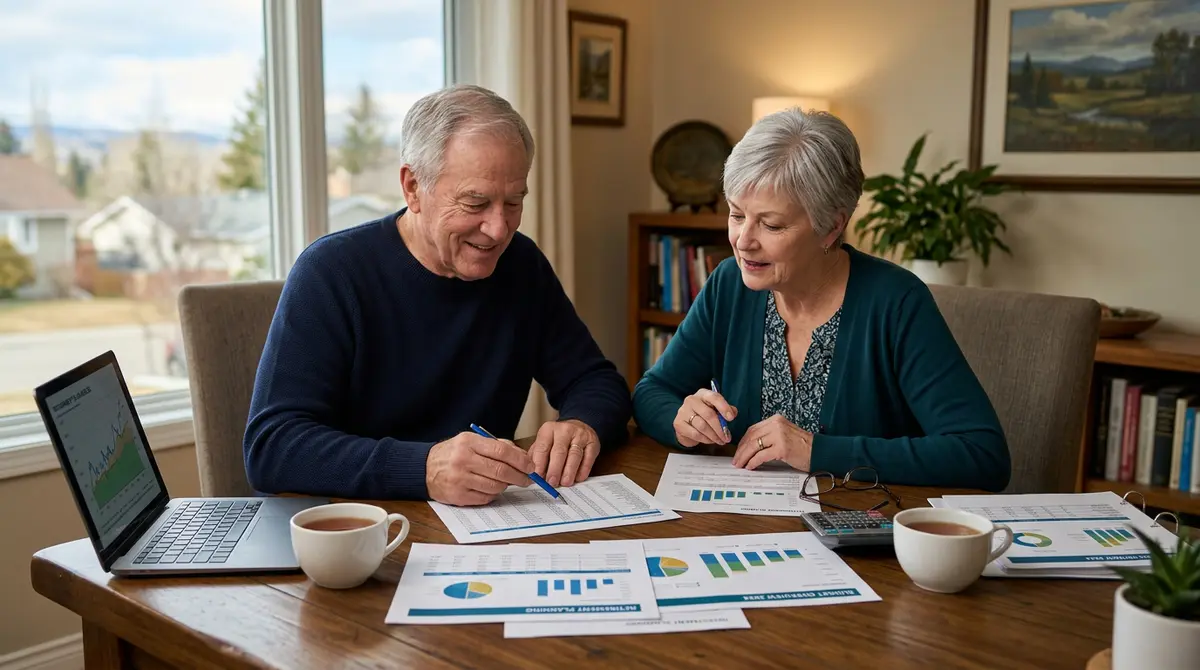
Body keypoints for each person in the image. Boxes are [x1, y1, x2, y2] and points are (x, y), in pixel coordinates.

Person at [244, 84, 631, 506]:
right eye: (475, 203)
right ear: (412, 187)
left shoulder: (521, 265)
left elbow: (596, 381)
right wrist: (423, 468)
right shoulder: (331, 272)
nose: (499, 229)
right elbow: (273, 448)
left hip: (483, 529)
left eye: (514, 202)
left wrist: (581, 425)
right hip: (356, 531)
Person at [630, 107, 1011, 492]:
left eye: (771, 224)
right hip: (742, 530)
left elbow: (981, 454)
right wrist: (682, 419)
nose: (744, 241)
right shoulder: (728, 284)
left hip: (860, 537)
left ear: (831, 226)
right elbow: (650, 393)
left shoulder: (897, 302)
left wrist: (817, 451)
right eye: (736, 215)